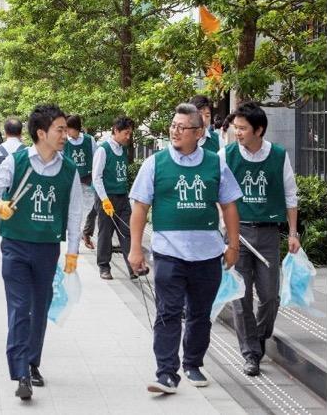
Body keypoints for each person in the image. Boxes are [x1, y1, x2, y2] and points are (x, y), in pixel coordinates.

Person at [126, 103, 242, 394]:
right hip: (168, 253)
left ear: (199, 132)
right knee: (167, 312)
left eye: (182, 127)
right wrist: (135, 249)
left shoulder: (216, 163)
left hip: (208, 254)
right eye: (173, 126)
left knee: (200, 315)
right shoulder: (155, 163)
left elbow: (229, 205)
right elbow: (140, 208)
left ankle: (193, 363)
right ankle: (166, 372)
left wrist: (233, 245)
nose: (175, 132)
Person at [0, 104, 82, 401]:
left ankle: (32, 361)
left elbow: (75, 213)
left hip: (47, 249)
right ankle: (21, 373)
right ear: (41, 133)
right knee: (20, 308)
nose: (65, 135)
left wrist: (73, 253)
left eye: (65, 129)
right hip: (15, 245)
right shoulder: (16, 162)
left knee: (40, 307)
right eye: (60, 130)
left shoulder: (69, 170)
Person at [224, 102, 301, 377]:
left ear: (259, 129)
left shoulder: (279, 156)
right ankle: (251, 353)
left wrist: (293, 234)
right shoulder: (227, 154)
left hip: (268, 233)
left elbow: (291, 195)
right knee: (241, 296)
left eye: (243, 128)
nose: (238, 133)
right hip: (238, 233)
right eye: (236, 128)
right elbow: (217, 194)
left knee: (270, 296)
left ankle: (258, 337)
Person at [92, 116, 136, 280]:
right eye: (126, 133)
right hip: (107, 197)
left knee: (127, 231)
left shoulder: (123, 149)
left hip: (122, 197)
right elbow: (97, 177)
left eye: (130, 134)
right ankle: (104, 266)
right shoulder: (103, 150)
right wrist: (104, 200)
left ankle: (132, 266)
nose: (128, 137)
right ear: (116, 131)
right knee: (106, 232)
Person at [63, 115, 99, 251]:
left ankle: (85, 232)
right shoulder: (65, 142)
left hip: (87, 178)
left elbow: (96, 158)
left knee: (92, 207)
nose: (67, 132)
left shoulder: (89, 140)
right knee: (73, 211)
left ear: (76, 128)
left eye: (69, 129)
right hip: (71, 180)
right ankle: (74, 242)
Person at [0, 118, 24, 187]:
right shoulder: (27, 151)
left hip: (2, 194)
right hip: (21, 194)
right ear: (21, 133)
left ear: (5, 133)